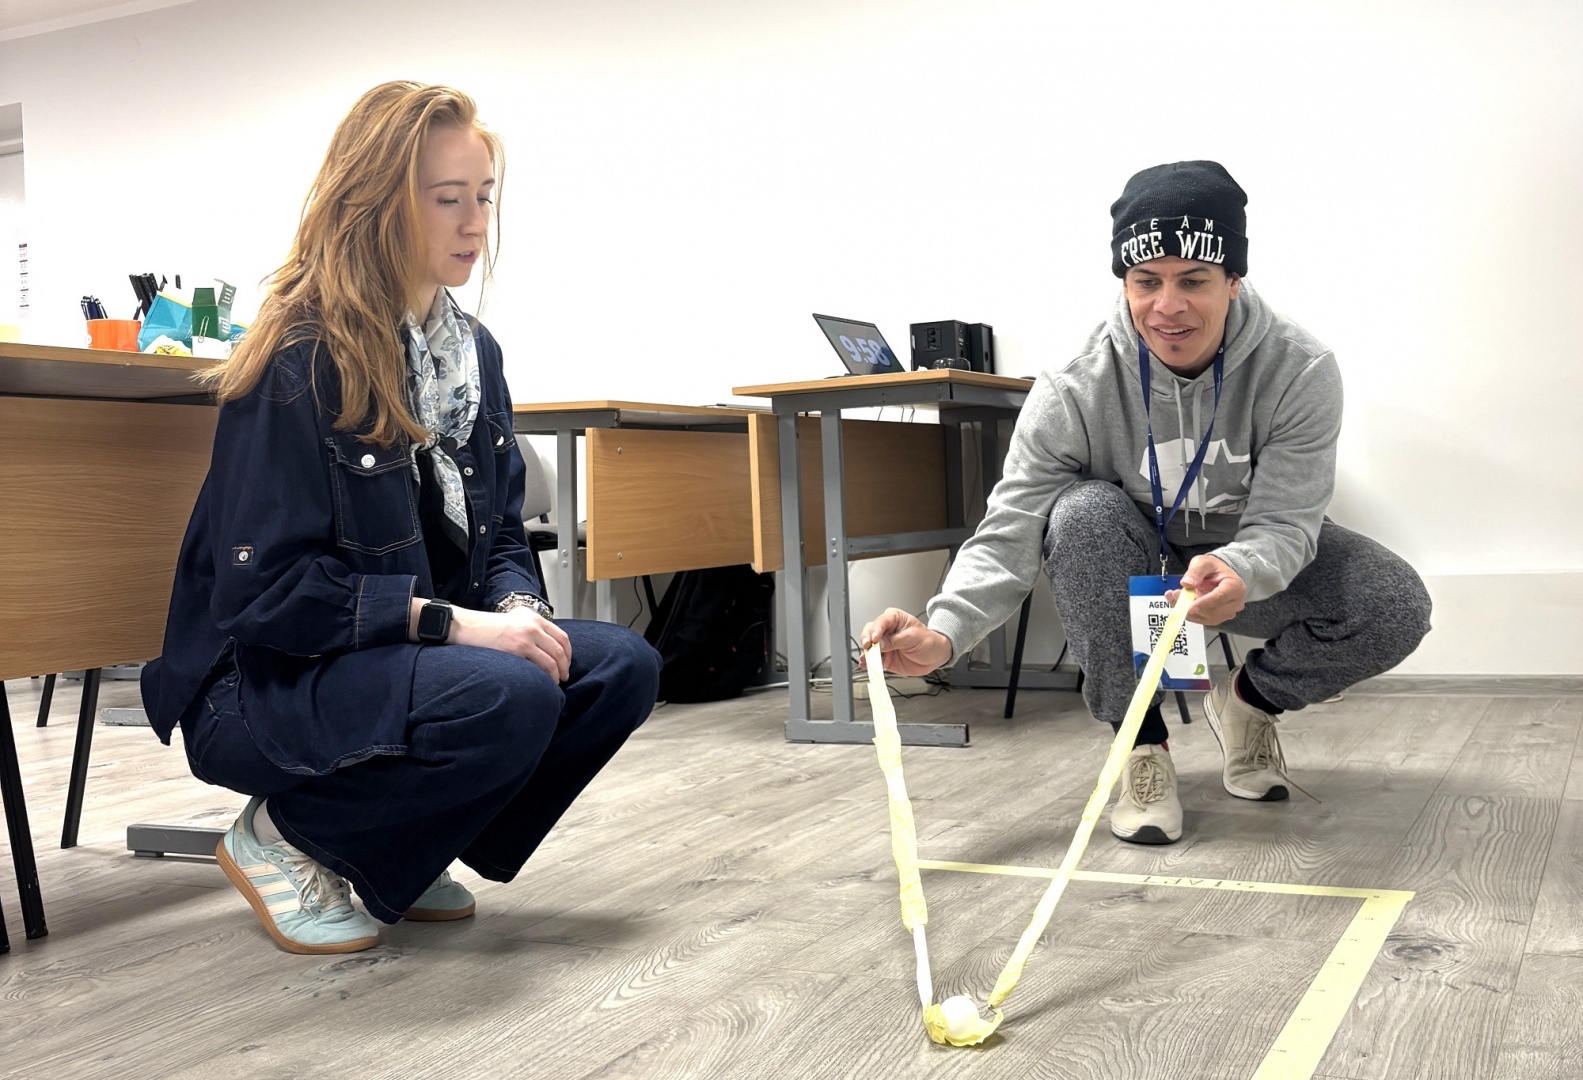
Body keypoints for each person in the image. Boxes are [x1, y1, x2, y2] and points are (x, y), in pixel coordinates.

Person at [140, 82, 661, 954]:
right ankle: (284, 837)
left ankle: (401, 846)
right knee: (511, 692)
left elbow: (500, 530)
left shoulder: (472, 352)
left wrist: (517, 609)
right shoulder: (300, 355)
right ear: (377, 200)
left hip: (387, 660)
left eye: (484, 197)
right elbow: (268, 596)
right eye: (448, 199)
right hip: (263, 686)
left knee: (618, 666)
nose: (475, 223)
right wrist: (457, 625)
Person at [861, 160, 1431, 846]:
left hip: (1237, 570)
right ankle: (1140, 745)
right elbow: (1012, 522)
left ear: (1233, 279)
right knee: (1080, 514)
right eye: (1146, 281)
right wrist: (946, 631)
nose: (1168, 306)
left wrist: (1242, 567)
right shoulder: (1074, 386)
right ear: (1124, 283)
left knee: (1394, 604)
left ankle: (1248, 703)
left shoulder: (1298, 368)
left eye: (1193, 280)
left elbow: (1287, 519)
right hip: (1134, 568)